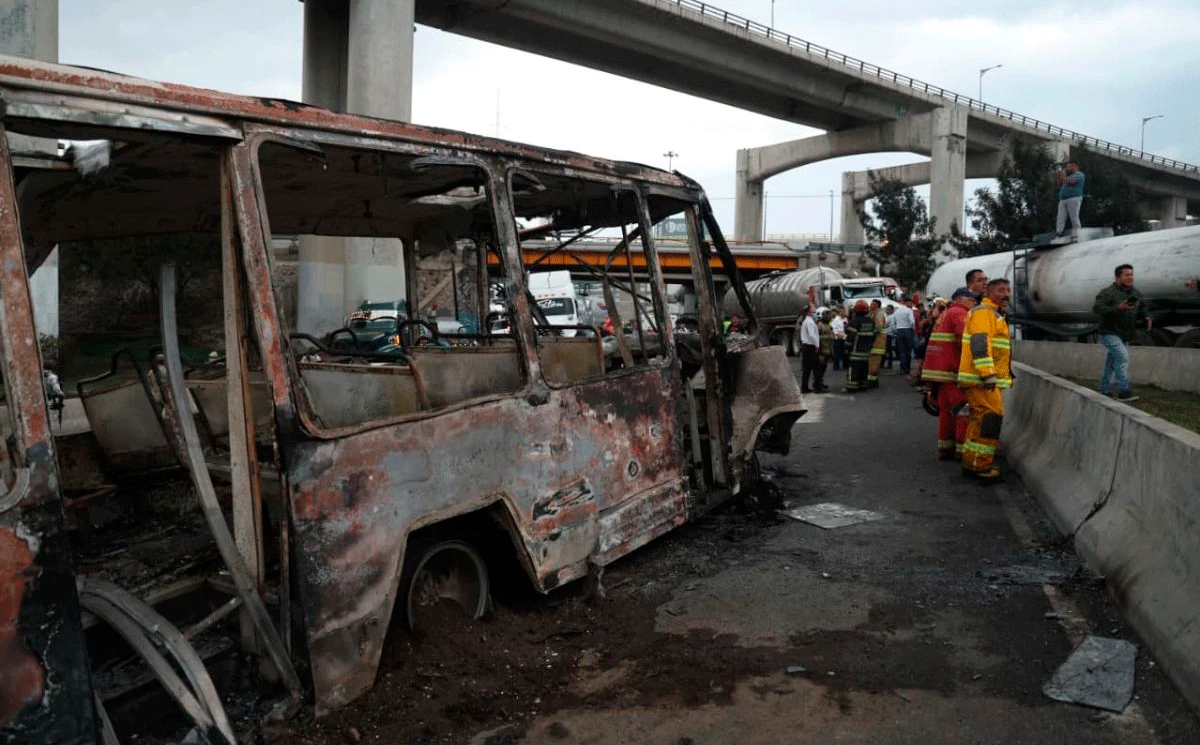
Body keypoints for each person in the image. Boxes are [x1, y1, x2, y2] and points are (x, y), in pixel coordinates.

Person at [958, 279, 1013, 481]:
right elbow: (980, 343)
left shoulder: (993, 314)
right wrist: (988, 373)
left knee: (980, 419)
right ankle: (980, 466)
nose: (1006, 294)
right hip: (982, 379)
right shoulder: (985, 313)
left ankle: (971, 462)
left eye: (1007, 290)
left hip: (981, 378)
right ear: (988, 293)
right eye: (1000, 290)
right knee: (991, 417)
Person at [922, 289, 975, 460]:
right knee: (963, 409)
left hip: (939, 371)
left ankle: (946, 448)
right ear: (961, 299)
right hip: (953, 370)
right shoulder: (960, 314)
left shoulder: (945, 314)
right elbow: (965, 341)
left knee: (946, 411)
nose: (974, 303)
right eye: (971, 300)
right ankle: (962, 450)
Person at [1093, 263, 1151, 402]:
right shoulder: (1107, 293)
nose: (1130, 278)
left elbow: (1143, 308)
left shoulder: (1135, 293)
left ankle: (1104, 390)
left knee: (1111, 362)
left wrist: (1147, 316)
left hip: (1125, 333)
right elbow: (1098, 308)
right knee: (1123, 358)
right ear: (1118, 277)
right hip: (1109, 332)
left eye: (1131, 275)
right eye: (1126, 275)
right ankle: (1124, 392)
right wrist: (1118, 307)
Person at [844, 301, 876, 393]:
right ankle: (863, 385)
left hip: (855, 353)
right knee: (864, 370)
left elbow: (850, 337)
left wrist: (846, 348)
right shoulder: (871, 321)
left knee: (853, 370)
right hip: (866, 353)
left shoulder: (854, 321)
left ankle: (852, 387)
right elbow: (873, 336)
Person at [1056, 161, 1085, 236]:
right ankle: (1059, 232)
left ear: (1074, 166)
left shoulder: (1079, 174)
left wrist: (1063, 177)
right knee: (1060, 218)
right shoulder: (1069, 176)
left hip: (1074, 198)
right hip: (1063, 199)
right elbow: (1059, 185)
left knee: (1074, 216)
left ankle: (1078, 232)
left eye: (1068, 166)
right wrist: (1059, 177)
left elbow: (1072, 182)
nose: (1067, 168)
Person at [799, 305, 822, 394]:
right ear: (809, 312)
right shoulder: (810, 322)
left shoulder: (806, 321)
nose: (815, 311)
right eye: (813, 310)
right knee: (817, 368)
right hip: (810, 347)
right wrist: (817, 345)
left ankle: (804, 387)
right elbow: (812, 335)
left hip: (805, 346)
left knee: (806, 369)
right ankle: (817, 387)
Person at [893, 299, 917, 374]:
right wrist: (913, 329)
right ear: (906, 303)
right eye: (911, 303)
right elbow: (912, 321)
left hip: (899, 330)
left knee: (901, 351)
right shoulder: (909, 311)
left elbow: (893, 322)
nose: (911, 305)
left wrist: (896, 330)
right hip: (907, 330)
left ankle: (902, 367)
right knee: (908, 350)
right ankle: (907, 367)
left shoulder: (897, 311)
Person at [867, 300, 887, 387]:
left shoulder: (878, 314)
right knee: (873, 363)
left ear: (876, 305)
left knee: (873, 364)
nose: (870, 305)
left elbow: (878, 327)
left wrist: (869, 333)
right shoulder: (873, 313)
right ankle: (873, 381)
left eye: (872, 304)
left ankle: (872, 382)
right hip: (876, 343)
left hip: (877, 343)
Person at [816, 310, 834, 392]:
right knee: (819, 369)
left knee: (823, 368)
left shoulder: (827, 325)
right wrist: (818, 349)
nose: (830, 317)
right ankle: (818, 386)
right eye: (828, 316)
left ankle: (820, 383)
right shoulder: (820, 325)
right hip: (822, 351)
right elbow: (816, 338)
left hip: (827, 350)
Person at [830, 307, 847, 371]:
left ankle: (845, 366)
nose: (842, 313)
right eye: (841, 312)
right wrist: (838, 334)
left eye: (843, 311)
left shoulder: (846, 319)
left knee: (845, 353)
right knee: (836, 354)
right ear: (839, 313)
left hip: (844, 338)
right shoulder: (836, 320)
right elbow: (834, 329)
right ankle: (836, 367)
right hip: (838, 338)